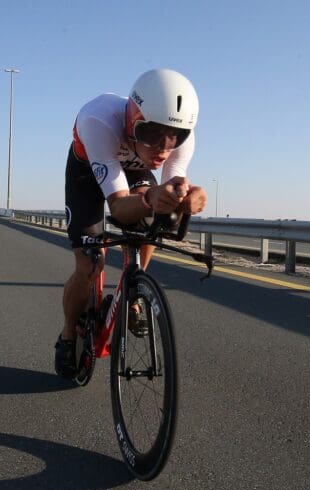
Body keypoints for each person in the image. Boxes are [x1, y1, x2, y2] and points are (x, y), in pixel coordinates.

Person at [55, 68, 207, 379]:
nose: (164, 148)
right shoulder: (97, 121)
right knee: (88, 266)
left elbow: (169, 196)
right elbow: (119, 206)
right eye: (152, 133)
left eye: (174, 136)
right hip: (88, 171)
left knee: (153, 214)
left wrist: (188, 198)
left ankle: (134, 290)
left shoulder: (175, 144)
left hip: (134, 169)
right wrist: (150, 199)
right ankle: (68, 334)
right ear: (131, 119)